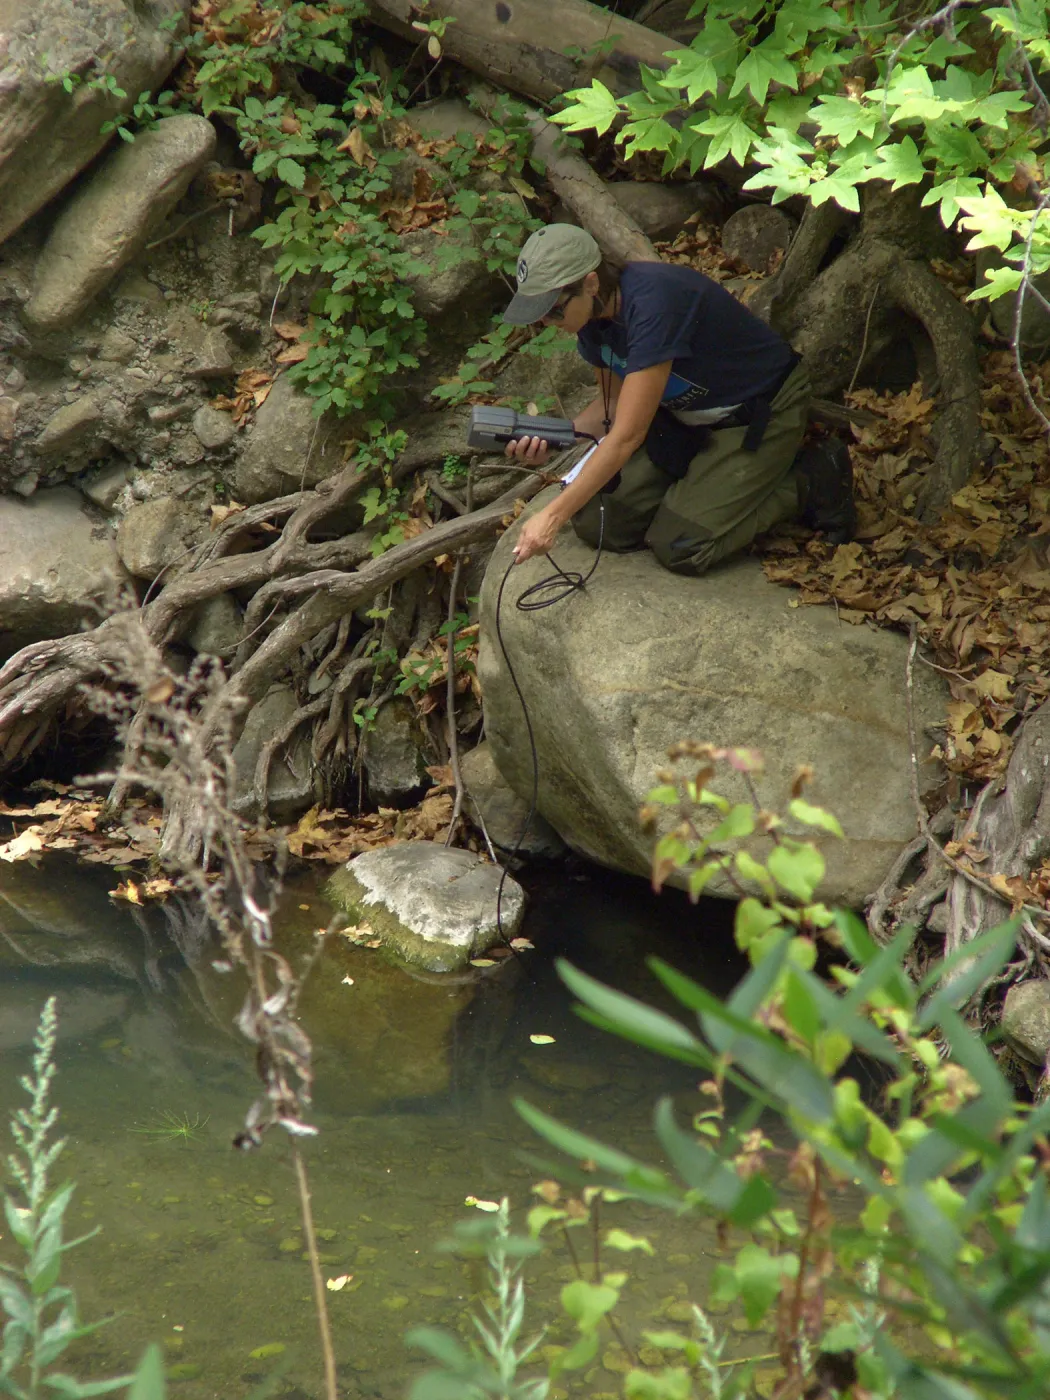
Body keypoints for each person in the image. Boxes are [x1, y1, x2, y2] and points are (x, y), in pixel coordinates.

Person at [501, 223, 854, 572]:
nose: (548, 321)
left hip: (755, 411)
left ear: (591, 283)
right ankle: (697, 493)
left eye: (555, 309)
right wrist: (558, 437)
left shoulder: (654, 306)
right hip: (682, 417)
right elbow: (610, 406)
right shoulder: (593, 323)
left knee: (681, 546)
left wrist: (552, 515)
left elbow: (626, 436)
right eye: (540, 313)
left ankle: (809, 479)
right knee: (598, 523)